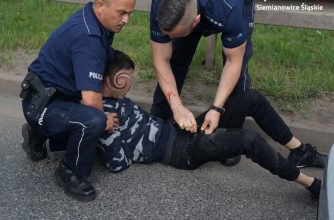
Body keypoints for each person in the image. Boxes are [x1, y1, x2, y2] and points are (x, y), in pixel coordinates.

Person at [98, 50, 323, 199]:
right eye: (127, 77)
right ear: (110, 80)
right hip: (180, 152)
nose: (130, 82)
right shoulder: (101, 117)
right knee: (249, 140)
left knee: (249, 97)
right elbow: (117, 164)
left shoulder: (116, 99)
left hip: (179, 129)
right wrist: (106, 130)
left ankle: (299, 152)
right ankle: (313, 186)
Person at [149, 0, 327, 167]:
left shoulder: (230, 7)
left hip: (229, 8)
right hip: (189, 12)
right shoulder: (162, 5)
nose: (166, 37)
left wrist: (216, 108)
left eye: (172, 35)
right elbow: (161, 59)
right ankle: (160, 122)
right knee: (176, 59)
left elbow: (234, 61)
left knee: (238, 79)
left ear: (196, 21)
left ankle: (229, 137)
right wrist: (176, 105)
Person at [19, 0, 135, 202]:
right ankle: (69, 171)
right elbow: (90, 102)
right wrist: (105, 119)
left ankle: (36, 134)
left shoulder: (94, 19)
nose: (126, 20)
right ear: (100, 5)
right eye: (122, 13)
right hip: (41, 104)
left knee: (92, 116)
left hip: (50, 95)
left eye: (129, 13)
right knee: (94, 121)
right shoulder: (89, 37)